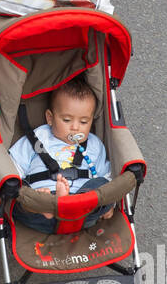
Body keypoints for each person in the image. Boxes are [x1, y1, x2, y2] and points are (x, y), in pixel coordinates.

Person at [8, 76, 115, 234]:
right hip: (42, 207)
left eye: (84, 122)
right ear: (50, 118)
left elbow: (105, 176)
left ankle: (67, 205)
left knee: (102, 184)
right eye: (66, 120)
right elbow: (14, 165)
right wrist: (31, 195)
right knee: (20, 196)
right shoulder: (37, 137)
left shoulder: (94, 144)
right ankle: (45, 206)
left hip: (82, 209)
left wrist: (109, 203)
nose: (75, 128)